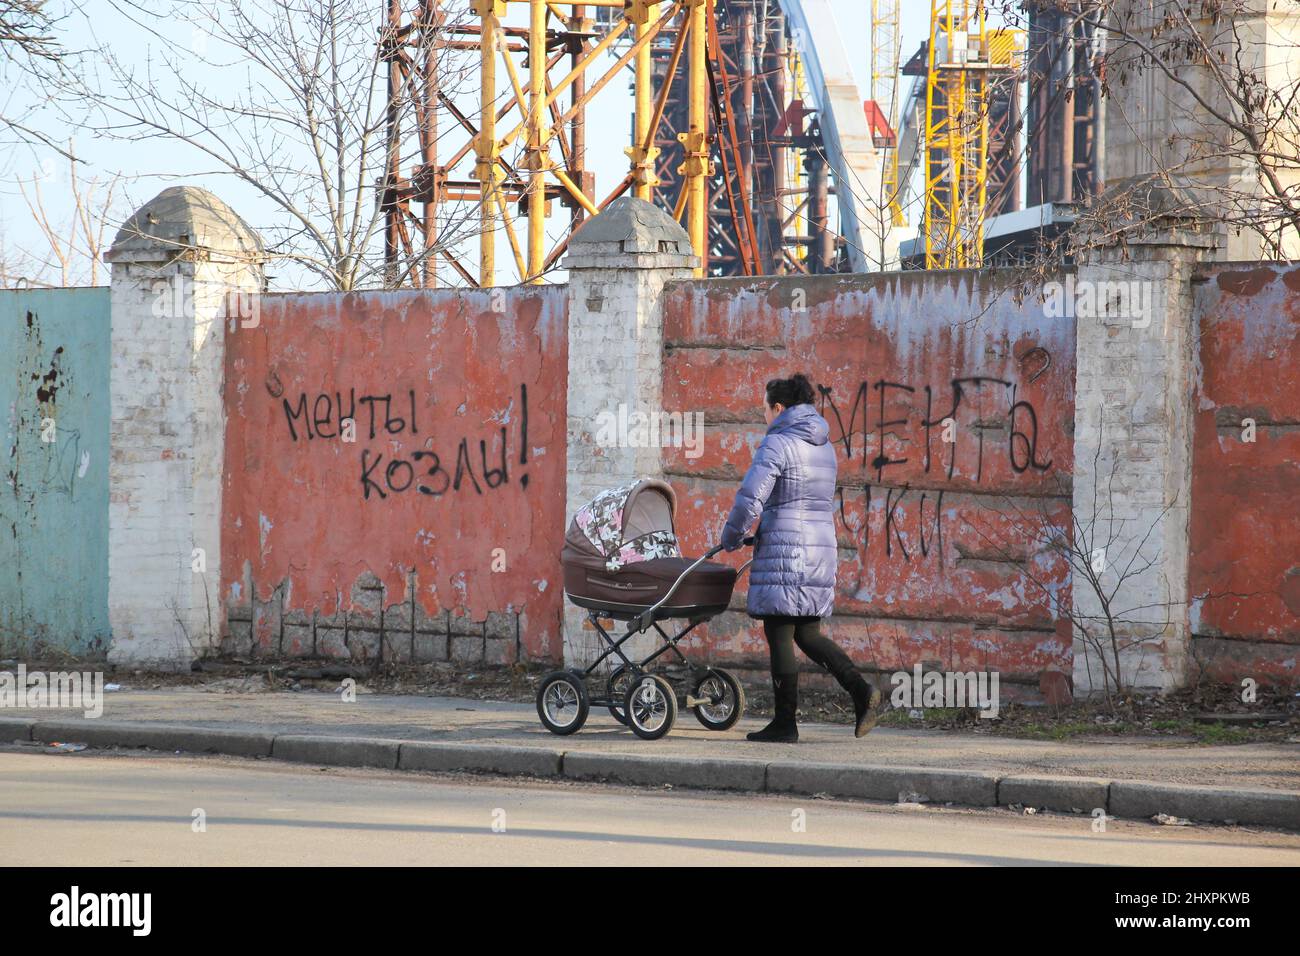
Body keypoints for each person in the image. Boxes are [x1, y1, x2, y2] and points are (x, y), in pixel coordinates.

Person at [721, 373, 880, 743]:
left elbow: (751, 498)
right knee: (807, 632)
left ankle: (784, 723)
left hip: (786, 549)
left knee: (778, 629)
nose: (763, 414)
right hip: (820, 548)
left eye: (764, 407)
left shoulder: (777, 443)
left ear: (778, 408)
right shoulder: (823, 444)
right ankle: (862, 691)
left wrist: (731, 535)